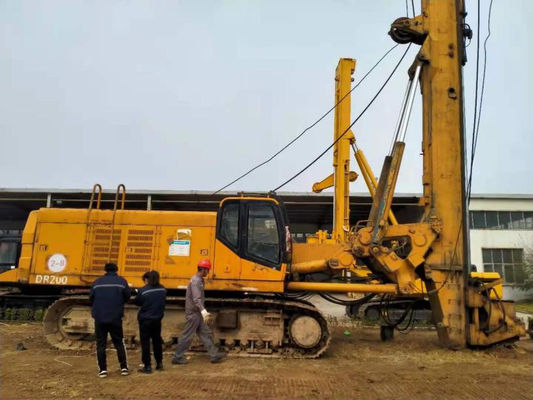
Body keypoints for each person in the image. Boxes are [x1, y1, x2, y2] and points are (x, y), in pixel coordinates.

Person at [171, 259, 226, 364]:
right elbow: (197, 299)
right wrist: (204, 312)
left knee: (205, 333)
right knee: (187, 335)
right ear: (203, 270)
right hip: (194, 313)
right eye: (207, 270)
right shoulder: (196, 281)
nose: (208, 272)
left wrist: (202, 312)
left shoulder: (198, 280)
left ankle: (214, 355)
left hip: (197, 313)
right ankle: (177, 357)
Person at [90, 262, 131, 378]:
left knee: (101, 344)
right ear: (116, 270)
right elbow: (127, 296)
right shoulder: (121, 281)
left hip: (100, 318)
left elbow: (91, 298)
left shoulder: (97, 282)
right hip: (115, 317)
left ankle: (103, 370)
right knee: (119, 343)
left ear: (105, 270)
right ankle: (124, 368)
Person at [134, 270, 166, 373]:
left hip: (145, 320)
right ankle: (159, 363)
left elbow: (137, 302)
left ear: (147, 279)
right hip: (157, 319)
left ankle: (147, 366)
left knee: (145, 343)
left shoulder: (143, 291)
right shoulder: (162, 289)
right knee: (157, 341)